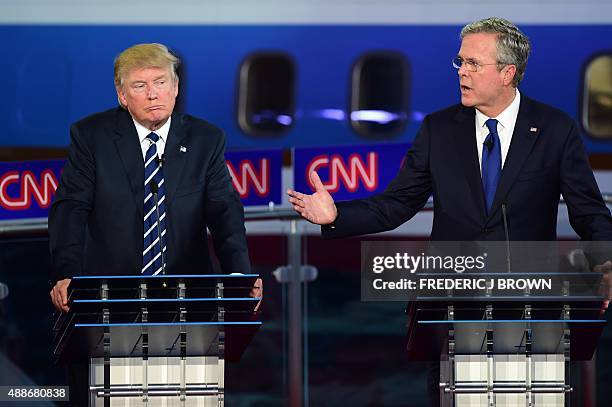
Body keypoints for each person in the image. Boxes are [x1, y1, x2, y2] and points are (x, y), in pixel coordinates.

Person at [48, 43, 261, 405]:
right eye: (140, 86)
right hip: (109, 304)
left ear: (175, 87)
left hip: (186, 307)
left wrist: (239, 276)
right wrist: (66, 273)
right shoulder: (92, 137)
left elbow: (225, 213)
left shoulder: (205, 140)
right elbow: (70, 208)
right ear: (121, 94)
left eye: (161, 83)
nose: (153, 94)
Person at [288, 17, 612, 243]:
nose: (462, 73)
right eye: (460, 62)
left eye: (474, 64)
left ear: (507, 73)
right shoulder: (438, 129)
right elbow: (397, 204)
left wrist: (606, 259)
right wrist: (335, 216)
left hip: (528, 298)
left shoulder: (554, 130)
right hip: (453, 299)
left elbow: (588, 212)